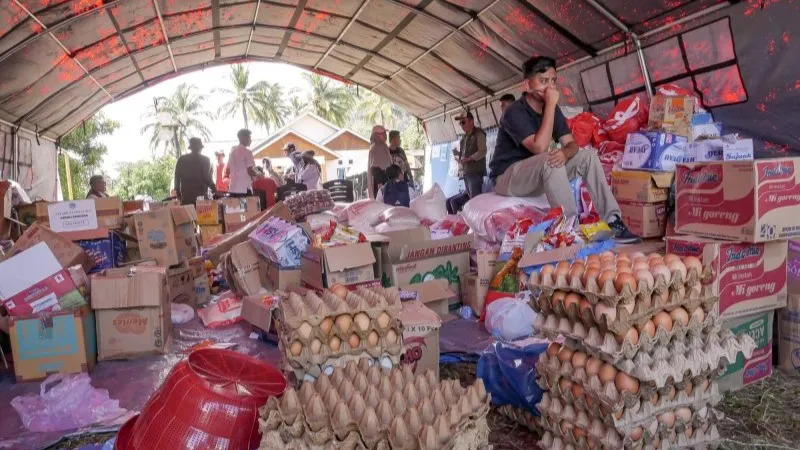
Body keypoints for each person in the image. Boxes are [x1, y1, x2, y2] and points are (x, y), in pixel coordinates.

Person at [489, 56, 639, 243]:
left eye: (553, 81)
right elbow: (539, 147)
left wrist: (565, 152)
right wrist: (551, 104)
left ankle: (612, 220)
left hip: (538, 173)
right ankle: (570, 228)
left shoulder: (552, 109)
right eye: (543, 81)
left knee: (588, 156)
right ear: (527, 85)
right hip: (508, 177)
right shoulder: (514, 112)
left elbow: (572, 144)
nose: (550, 87)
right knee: (549, 158)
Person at [453, 111, 487, 200]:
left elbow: (482, 151)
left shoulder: (479, 134)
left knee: (475, 201)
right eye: (460, 123)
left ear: (472, 121)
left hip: (475, 173)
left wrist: (468, 159)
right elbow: (465, 153)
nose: (462, 125)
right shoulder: (464, 137)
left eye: (463, 122)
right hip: (466, 172)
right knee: (471, 200)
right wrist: (458, 154)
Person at [174, 137, 217, 205]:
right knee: (201, 215)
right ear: (200, 148)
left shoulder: (182, 159)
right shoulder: (205, 160)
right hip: (200, 195)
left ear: (190, 148)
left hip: (186, 195)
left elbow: (177, 176)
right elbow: (207, 178)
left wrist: (178, 193)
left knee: (189, 215)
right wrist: (215, 190)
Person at [225, 129, 259, 197]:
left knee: (235, 208)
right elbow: (250, 171)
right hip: (244, 189)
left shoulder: (232, 152)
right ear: (243, 138)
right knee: (247, 207)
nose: (250, 140)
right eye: (249, 137)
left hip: (233, 189)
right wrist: (258, 174)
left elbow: (227, 170)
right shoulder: (247, 152)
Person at [367, 125, 393, 199]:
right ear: (376, 135)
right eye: (383, 133)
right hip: (381, 184)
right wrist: (380, 182)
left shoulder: (382, 145)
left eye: (385, 133)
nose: (385, 135)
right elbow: (374, 168)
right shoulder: (376, 147)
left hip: (385, 182)